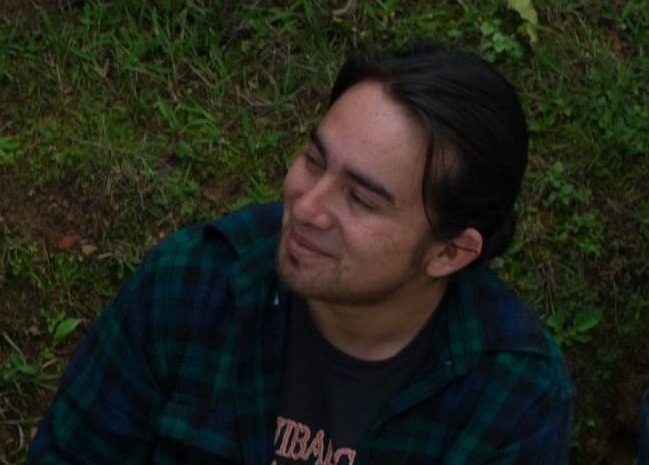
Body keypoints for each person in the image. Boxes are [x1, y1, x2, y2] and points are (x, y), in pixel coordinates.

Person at [27, 40, 574, 465]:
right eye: (315, 160)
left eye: (360, 199)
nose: (305, 205)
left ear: (450, 253)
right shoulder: (190, 286)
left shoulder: (513, 396)